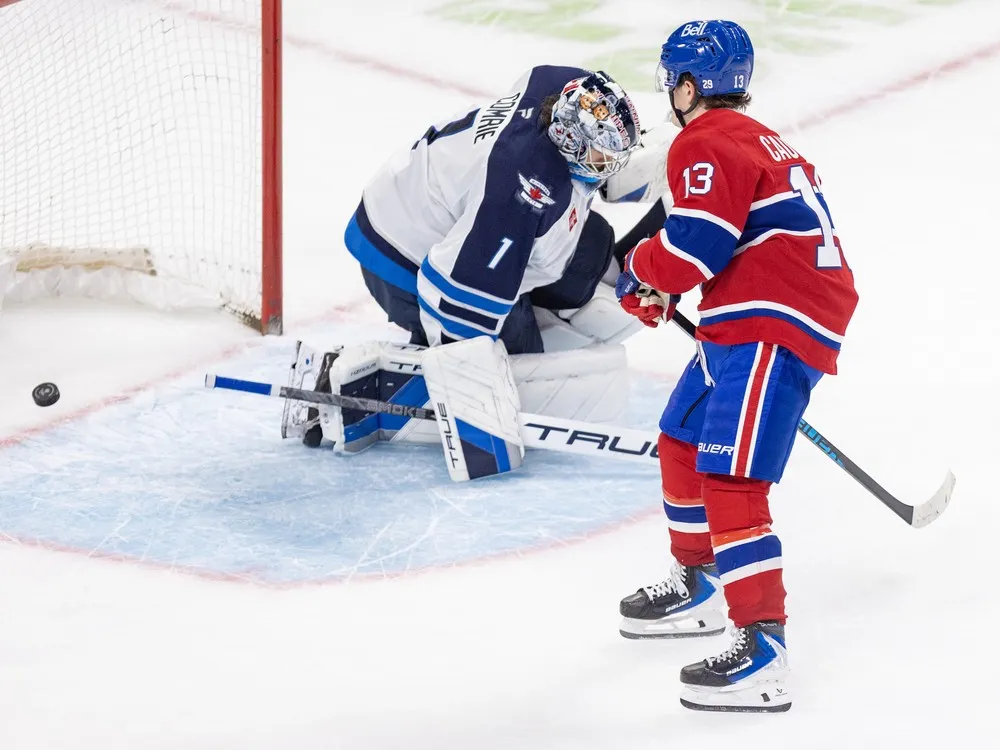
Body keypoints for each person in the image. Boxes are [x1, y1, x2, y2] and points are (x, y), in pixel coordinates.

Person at [613, 20, 859, 713]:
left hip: (772, 324)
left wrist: (644, 271)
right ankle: (699, 581)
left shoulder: (707, 140)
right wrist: (667, 284)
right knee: (682, 439)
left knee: (730, 477)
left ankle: (764, 648)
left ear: (692, 86)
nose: (670, 93)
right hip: (750, 316)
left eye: (674, 80)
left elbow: (696, 247)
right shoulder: (751, 139)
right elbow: (725, 242)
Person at [343, 66, 642, 356]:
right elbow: (455, 299)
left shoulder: (561, 85)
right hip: (396, 250)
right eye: (602, 154)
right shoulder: (522, 193)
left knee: (593, 246)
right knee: (521, 363)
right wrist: (465, 374)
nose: (608, 164)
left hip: (421, 193)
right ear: (572, 141)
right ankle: (381, 386)